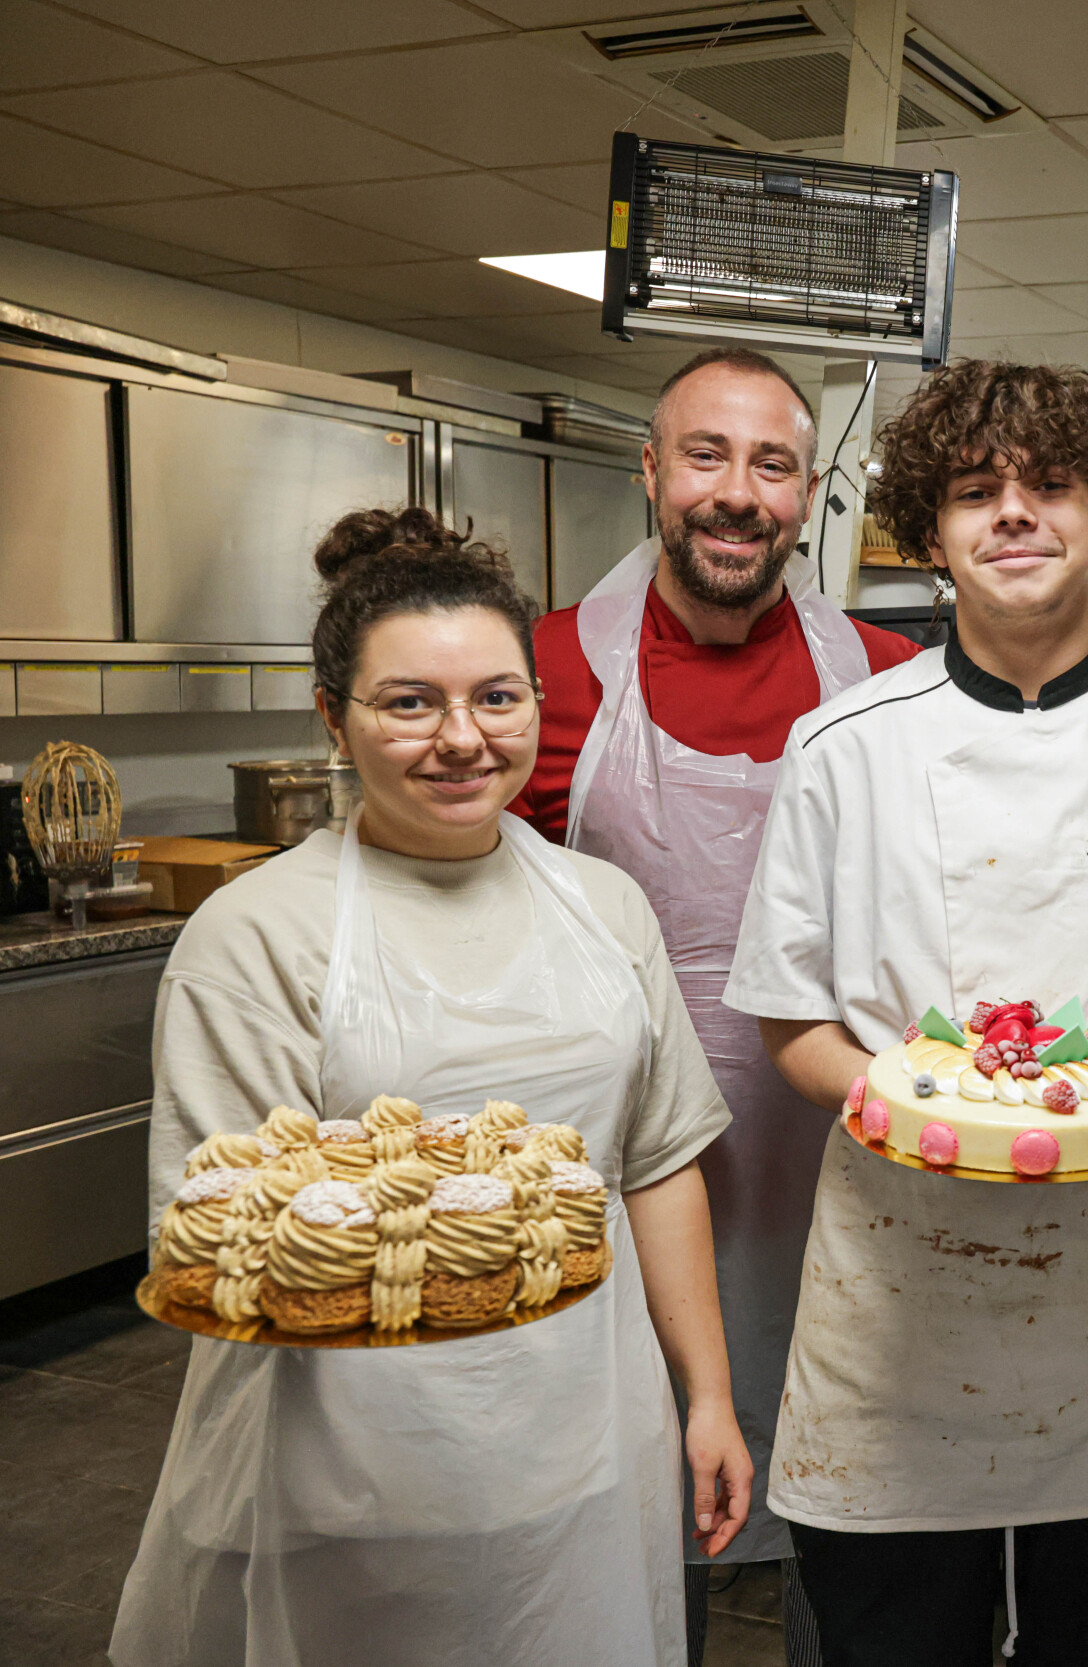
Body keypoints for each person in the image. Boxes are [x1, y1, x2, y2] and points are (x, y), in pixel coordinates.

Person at [723, 359, 1088, 1667]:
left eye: (1051, 485)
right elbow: (789, 1017)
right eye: (977, 492)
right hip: (894, 1301)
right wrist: (899, 1099)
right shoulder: (844, 747)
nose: (1016, 514)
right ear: (931, 532)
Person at [113, 507, 750, 1666]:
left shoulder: (605, 906)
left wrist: (706, 1393)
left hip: (585, 1424)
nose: (463, 737)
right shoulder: (255, 933)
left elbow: (655, 1165)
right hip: (344, 1462)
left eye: (498, 697)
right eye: (410, 702)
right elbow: (216, 1237)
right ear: (332, 720)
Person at [514, 345, 920, 1661]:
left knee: (849, 1493)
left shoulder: (892, 677)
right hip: (617, 1172)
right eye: (706, 454)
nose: (737, 492)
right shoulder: (539, 674)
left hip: (850, 1168)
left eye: (773, 463)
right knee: (636, 1506)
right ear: (650, 469)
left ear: (810, 493)